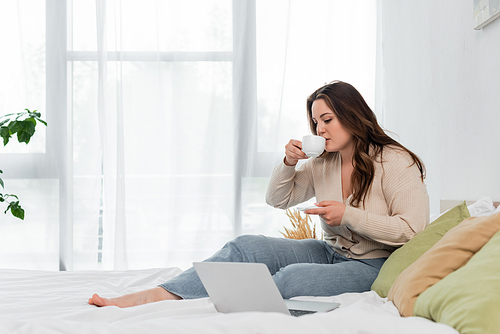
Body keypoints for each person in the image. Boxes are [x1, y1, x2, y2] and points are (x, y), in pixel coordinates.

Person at [89, 80, 429, 308]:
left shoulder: (395, 161)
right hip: (331, 252)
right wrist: (287, 163)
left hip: (374, 265)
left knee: (292, 280)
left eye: (327, 119)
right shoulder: (324, 161)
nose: (320, 129)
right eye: (315, 123)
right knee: (246, 246)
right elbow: (278, 199)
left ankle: (221, 304)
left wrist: (349, 214)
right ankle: (162, 294)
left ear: (352, 116)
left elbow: (412, 231)